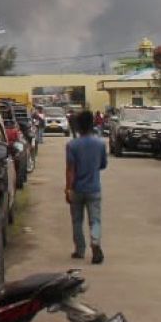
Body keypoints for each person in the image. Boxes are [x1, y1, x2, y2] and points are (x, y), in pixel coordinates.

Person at [65, 110, 107, 265]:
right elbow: (103, 165)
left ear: (77, 126)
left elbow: (70, 169)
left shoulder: (72, 145)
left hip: (77, 188)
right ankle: (95, 243)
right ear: (92, 124)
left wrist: (68, 189)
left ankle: (80, 250)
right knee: (95, 220)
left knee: (77, 220)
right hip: (94, 188)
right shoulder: (100, 144)